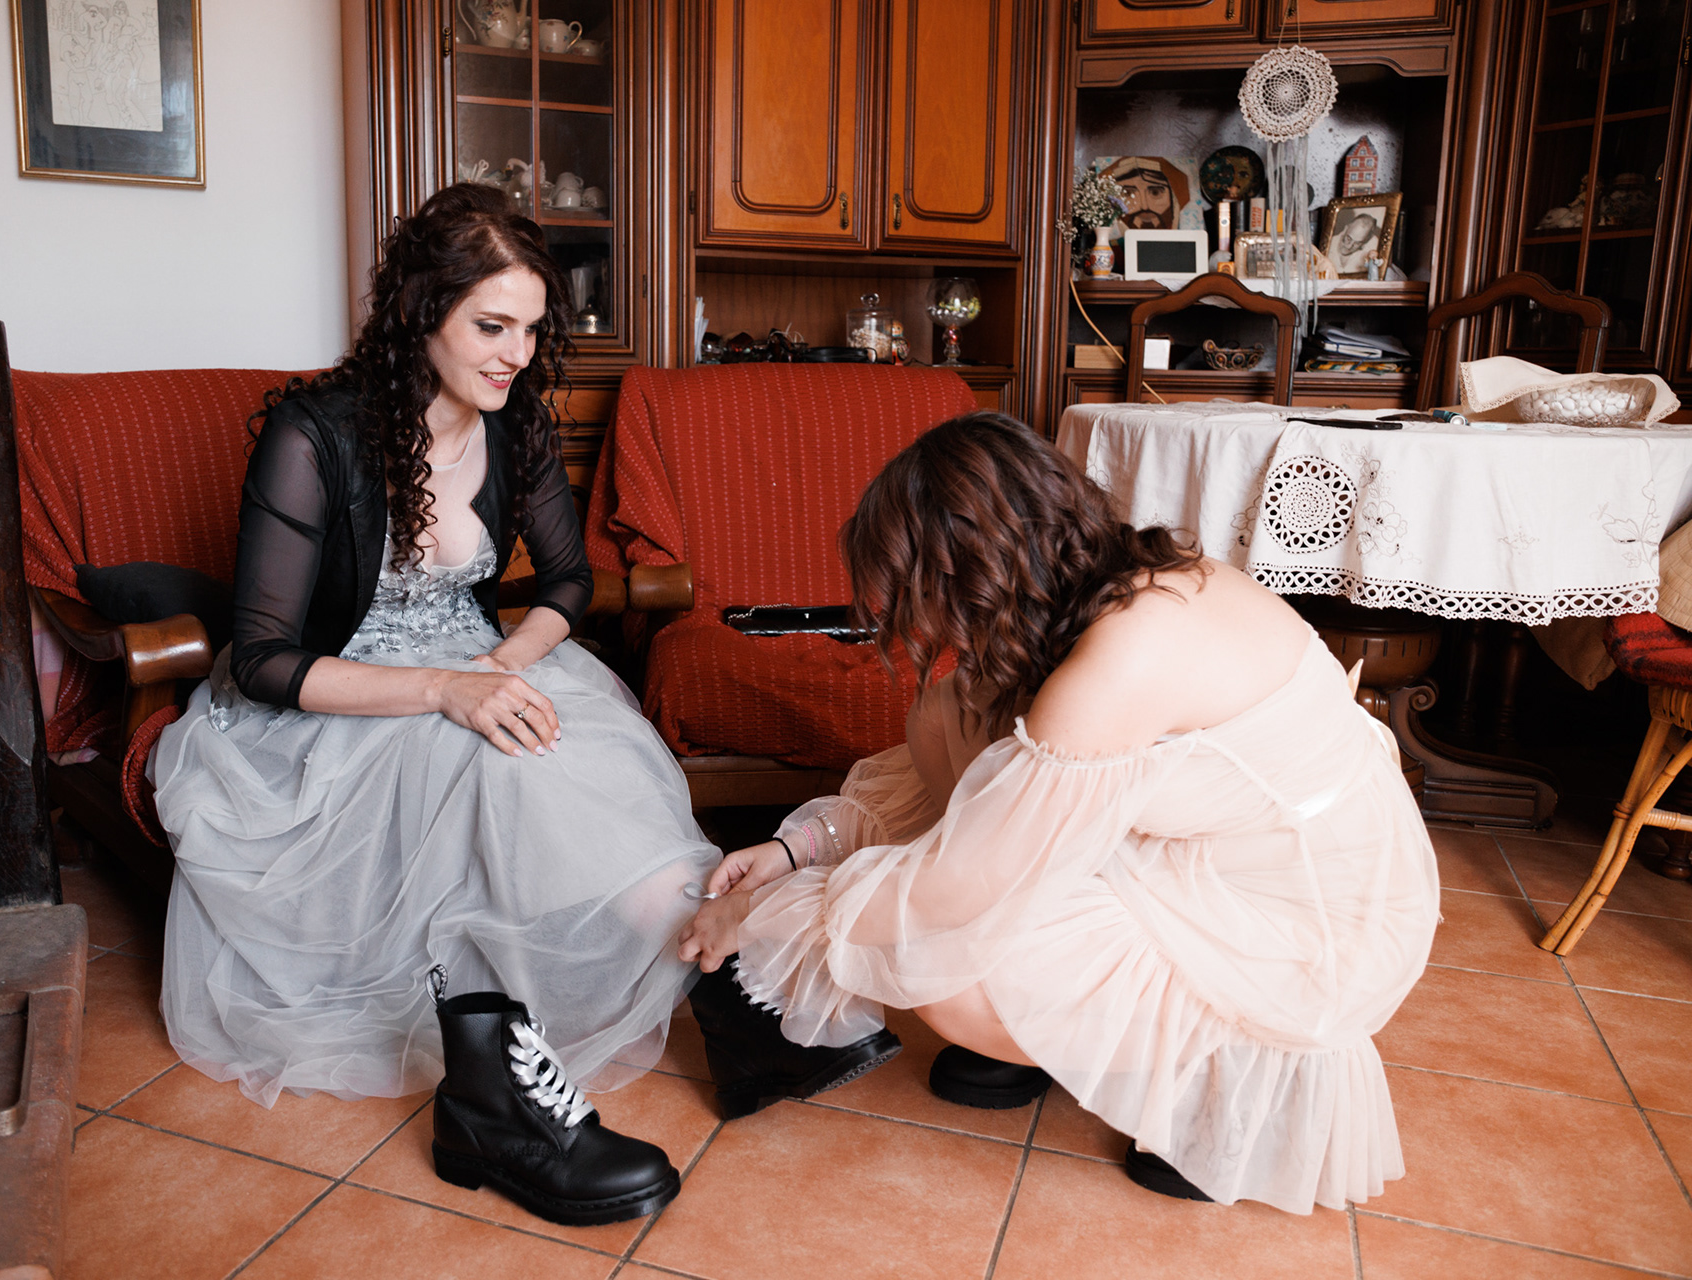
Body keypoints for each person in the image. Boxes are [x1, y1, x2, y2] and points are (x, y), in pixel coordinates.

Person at [678, 412, 1439, 1214]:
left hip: (1299, 919)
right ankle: (1067, 1037)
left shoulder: (1126, 655)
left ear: (971, 572)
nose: (915, 624)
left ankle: (1219, 1074)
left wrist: (757, 914)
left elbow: (954, 885)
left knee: (948, 966)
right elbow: (953, 799)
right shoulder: (1098, 592)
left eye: (913, 596)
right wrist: (798, 848)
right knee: (948, 712)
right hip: (1202, 851)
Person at [147, 184, 718, 1226]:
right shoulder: (313, 434)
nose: (516, 355)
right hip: (336, 696)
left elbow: (568, 582)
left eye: (531, 330)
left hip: (473, 659)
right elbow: (265, 659)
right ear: (422, 311)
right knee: (478, 758)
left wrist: (504, 663)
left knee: (571, 746)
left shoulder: (515, 423)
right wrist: (444, 692)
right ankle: (495, 1096)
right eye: (492, 327)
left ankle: (726, 974)